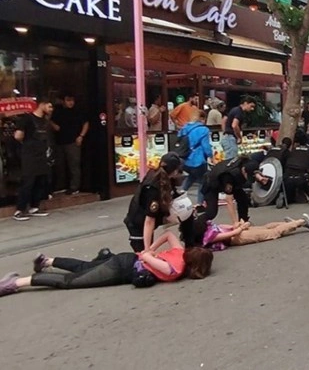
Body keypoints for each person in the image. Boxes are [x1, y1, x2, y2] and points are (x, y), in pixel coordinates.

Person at [0, 231, 212, 298]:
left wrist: (151, 248)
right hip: (120, 269)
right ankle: (15, 283)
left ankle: (48, 261)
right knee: (71, 282)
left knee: (84, 268)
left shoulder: (179, 251)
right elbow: (147, 260)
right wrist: (148, 255)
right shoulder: (174, 270)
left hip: (123, 259)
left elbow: (168, 233)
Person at [124, 153, 185, 251]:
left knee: (146, 252)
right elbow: (149, 220)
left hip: (147, 219)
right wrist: (147, 249)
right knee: (142, 255)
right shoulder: (153, 188)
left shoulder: (162, 175)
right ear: (174, 171)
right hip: (138, 223)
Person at [13, 99, 54, 221]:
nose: (51, 109)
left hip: (41, 154)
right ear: (41, 105)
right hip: (29, 154)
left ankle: (34, 207)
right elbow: (18, 136)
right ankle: (19, 210)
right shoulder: (27, 119)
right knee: (28, 181)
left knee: (40, 180)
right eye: (49, 106)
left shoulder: (45, 121)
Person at [200, 154, 266, 224]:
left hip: (232, 180)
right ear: (243, 170)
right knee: (211, 212)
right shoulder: (230, 176)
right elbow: (229, 200)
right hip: (211, 184)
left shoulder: (248, 162)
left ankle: (243, 221)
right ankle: (197, 224)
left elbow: (253, 170)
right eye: (248, 176)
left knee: (243, 199)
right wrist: (235, 222)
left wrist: (260, 177)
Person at [194, 212, 309, 250]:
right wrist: (241, 227)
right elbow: (230, 234)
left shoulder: (208, 228)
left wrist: (238, 226)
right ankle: (299, 222)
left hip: (238, 233)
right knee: (270, 232)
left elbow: (227, 227)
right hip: (236, 238)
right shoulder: (209, 236)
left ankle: (294, 223)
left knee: (268, 229)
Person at [49, 93, 88, 195]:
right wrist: (54, 126)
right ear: (63, 101)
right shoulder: (58, 111)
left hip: (73, 141)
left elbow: (86, 123)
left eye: (72, 100)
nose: (70, 103)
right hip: (59, 141)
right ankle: (61, 186)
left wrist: (81, 136)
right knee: (60, 165)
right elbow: (50, 121)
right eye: (68, 100)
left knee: (74, 165)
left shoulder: (78, 111)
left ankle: (75, 187)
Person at [179, 111, 212, 203]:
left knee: (192, 176)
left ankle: (181, 192)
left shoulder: (185, 128)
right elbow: (206, 147)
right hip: (198, 160)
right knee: (202, 181)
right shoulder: (203, 130)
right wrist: (210, 156)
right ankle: (199, 203)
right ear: (202, 119)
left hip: (185, 160)